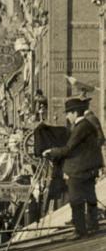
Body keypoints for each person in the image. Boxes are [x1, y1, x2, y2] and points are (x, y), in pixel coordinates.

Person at [43, 96, 103, 238]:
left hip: (79, 169)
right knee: (90, 196)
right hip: (89, 167)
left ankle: (80, 230)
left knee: (76, 199)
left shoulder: (80, 127)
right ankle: (93, 225)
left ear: (75, 113)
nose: (68, 116)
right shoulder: (86, 125)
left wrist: (51, 152)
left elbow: (69, 148)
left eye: (69, 113)